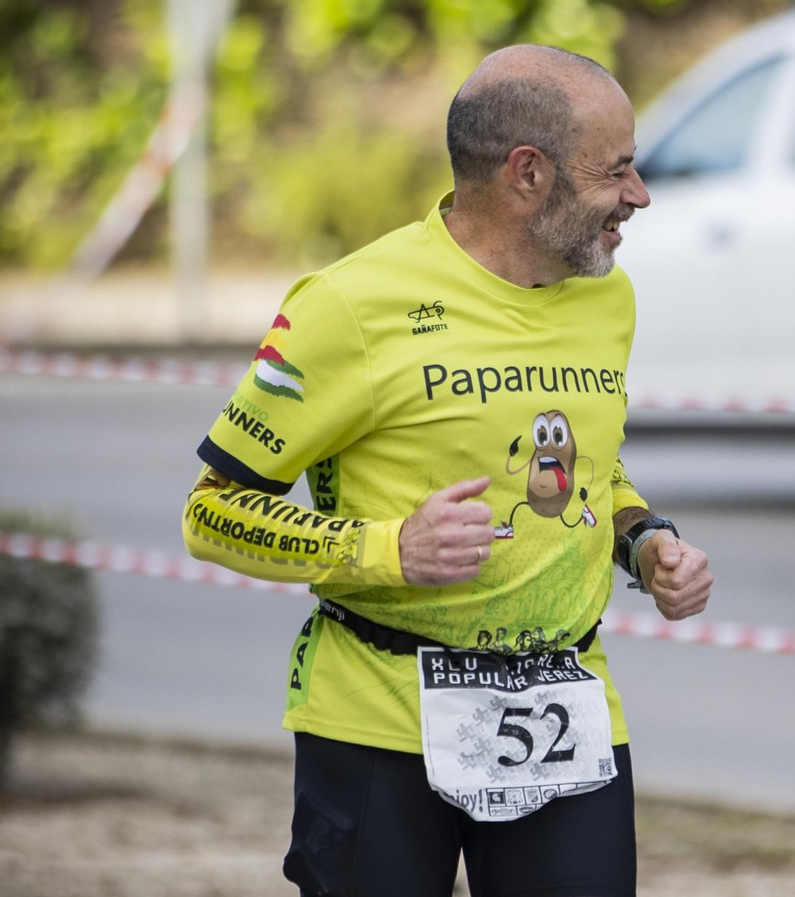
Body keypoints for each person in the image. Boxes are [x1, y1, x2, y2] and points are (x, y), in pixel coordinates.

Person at [180, 45, 713, 897]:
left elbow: (592, 473)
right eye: (616, 170)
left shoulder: (608, 298)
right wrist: (392, 549)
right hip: (379, 720)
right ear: (527, 174)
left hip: (562, 708)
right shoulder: (348, 306)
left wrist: (645, 543)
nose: (639, 194)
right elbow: (211, 513)